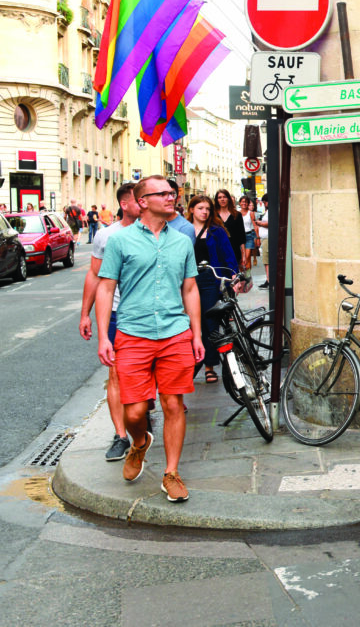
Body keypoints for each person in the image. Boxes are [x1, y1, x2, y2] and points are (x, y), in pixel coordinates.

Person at [95, 174, 204, 504]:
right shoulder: (120, 241)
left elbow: (189, 288)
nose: (172, 198)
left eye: (173, 193)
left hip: (175, 333)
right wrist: (104, 336)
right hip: (133, 333)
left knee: (174, 404)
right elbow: (105, 287)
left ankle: (171, 473)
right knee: (134, 413)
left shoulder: (183, 241)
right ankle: (139, 442)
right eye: (163, 194)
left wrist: (196, 334)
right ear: (142, 202)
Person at [79, 183, 141, 461]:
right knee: (115, 374)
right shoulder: (105, 236)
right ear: (125, 204)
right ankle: (120, 435)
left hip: (151, 316)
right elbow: (94, 276)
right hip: (118, 314)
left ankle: (140, 417)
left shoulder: (162, 232)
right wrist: (85, 314)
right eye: (139, 200)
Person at [186, 194, 238, 383]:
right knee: (189, 325)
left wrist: (233, 275)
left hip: (209, 280)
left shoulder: (216, 231)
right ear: (191, 209)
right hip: (187, 280)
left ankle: (209, 366)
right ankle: (189, 364)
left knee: (210, 324)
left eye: (207, 209)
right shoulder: (184, 230)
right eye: (200, 208)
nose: (204, 212)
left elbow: (228, 254)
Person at [215, 189, 245, 267]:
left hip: (234, 250)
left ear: (228, 199)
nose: (222, 199)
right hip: (218, 250)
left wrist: (244, 255)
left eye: (224, 197)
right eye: (219, 197)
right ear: (217, 200)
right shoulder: (213, 216)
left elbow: (241, 236)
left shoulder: (237, 215)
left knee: (234, 275)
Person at [165, 179, 197, 244]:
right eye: (162, 195)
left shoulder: (185, 228)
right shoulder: (145, 224)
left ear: (178, 198)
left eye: (172, 195)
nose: (169, 199)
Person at [238, 195, 259, 273]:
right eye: (243, 202)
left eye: (246, 202)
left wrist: (257, 238)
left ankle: (248, 276)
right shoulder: (237, 213)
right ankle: (242, 275)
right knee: (240, 259)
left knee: (247, 257)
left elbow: (255, 225)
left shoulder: (251, 213)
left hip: (249, 236)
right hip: (239, 237)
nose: (244, 203)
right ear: (240, 203)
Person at [256, 193, 270, 288]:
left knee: (266, 260)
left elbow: (269, 223)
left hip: (267, 239)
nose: (264, 204)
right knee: (266, 260)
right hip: (265, 238)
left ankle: (269, 280)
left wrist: (259, 223)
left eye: (265, 202)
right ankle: (268, 279)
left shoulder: (270, 211)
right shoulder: (268, 211)